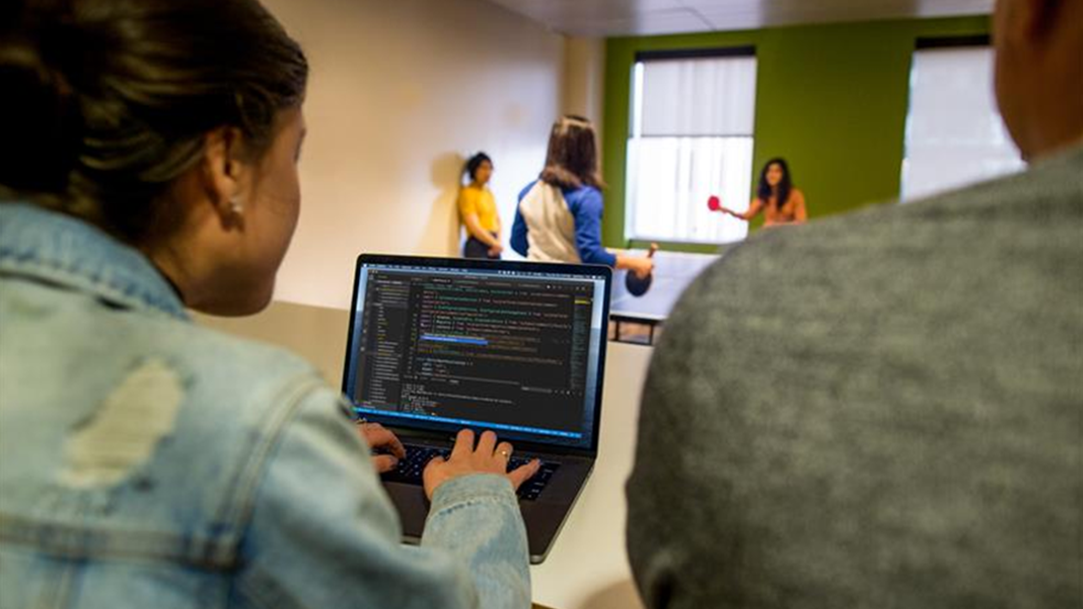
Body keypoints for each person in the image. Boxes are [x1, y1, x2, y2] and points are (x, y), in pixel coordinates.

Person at [0, 1, 540, 607]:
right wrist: (475, 498)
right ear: (228, 165)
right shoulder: (259, 422)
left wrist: (308, 479)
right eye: (296, 153)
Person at [626, 0, 1082, 606]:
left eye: (774, 175)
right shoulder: (758, 226)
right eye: (768, 175)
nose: (771, 179)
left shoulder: (735, 300)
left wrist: (782, 254)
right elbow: (750, 216)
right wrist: (734, 213)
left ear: (1030, 12)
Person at [511, 115, 653, 278]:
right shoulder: (587, 198)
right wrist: (636, 263)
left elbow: (517, 242)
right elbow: (590, 254)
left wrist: (545, 255)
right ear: (588, 150)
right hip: (570, 286)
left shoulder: (527, 192)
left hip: (531, 281)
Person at [719, 157, 807, 226]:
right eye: (769, 171)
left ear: (784, 175)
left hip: (789, 239)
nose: (772, 174)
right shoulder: (763, 196)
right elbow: (746, 216)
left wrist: (776, 226)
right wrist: (729, 212)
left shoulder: (795, 194)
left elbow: (802, 222)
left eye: (777, 171)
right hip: (769, 238)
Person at [458, 152, 503, 259]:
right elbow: (474, 226)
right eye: (484, 168)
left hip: (494, 243)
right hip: (477, 244)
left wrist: (498, 242)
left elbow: (498, 220)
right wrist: (494, 243)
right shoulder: (467, 192)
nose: (488, 172)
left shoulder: (488, 192)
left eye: (490, 168)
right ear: (474, 169)